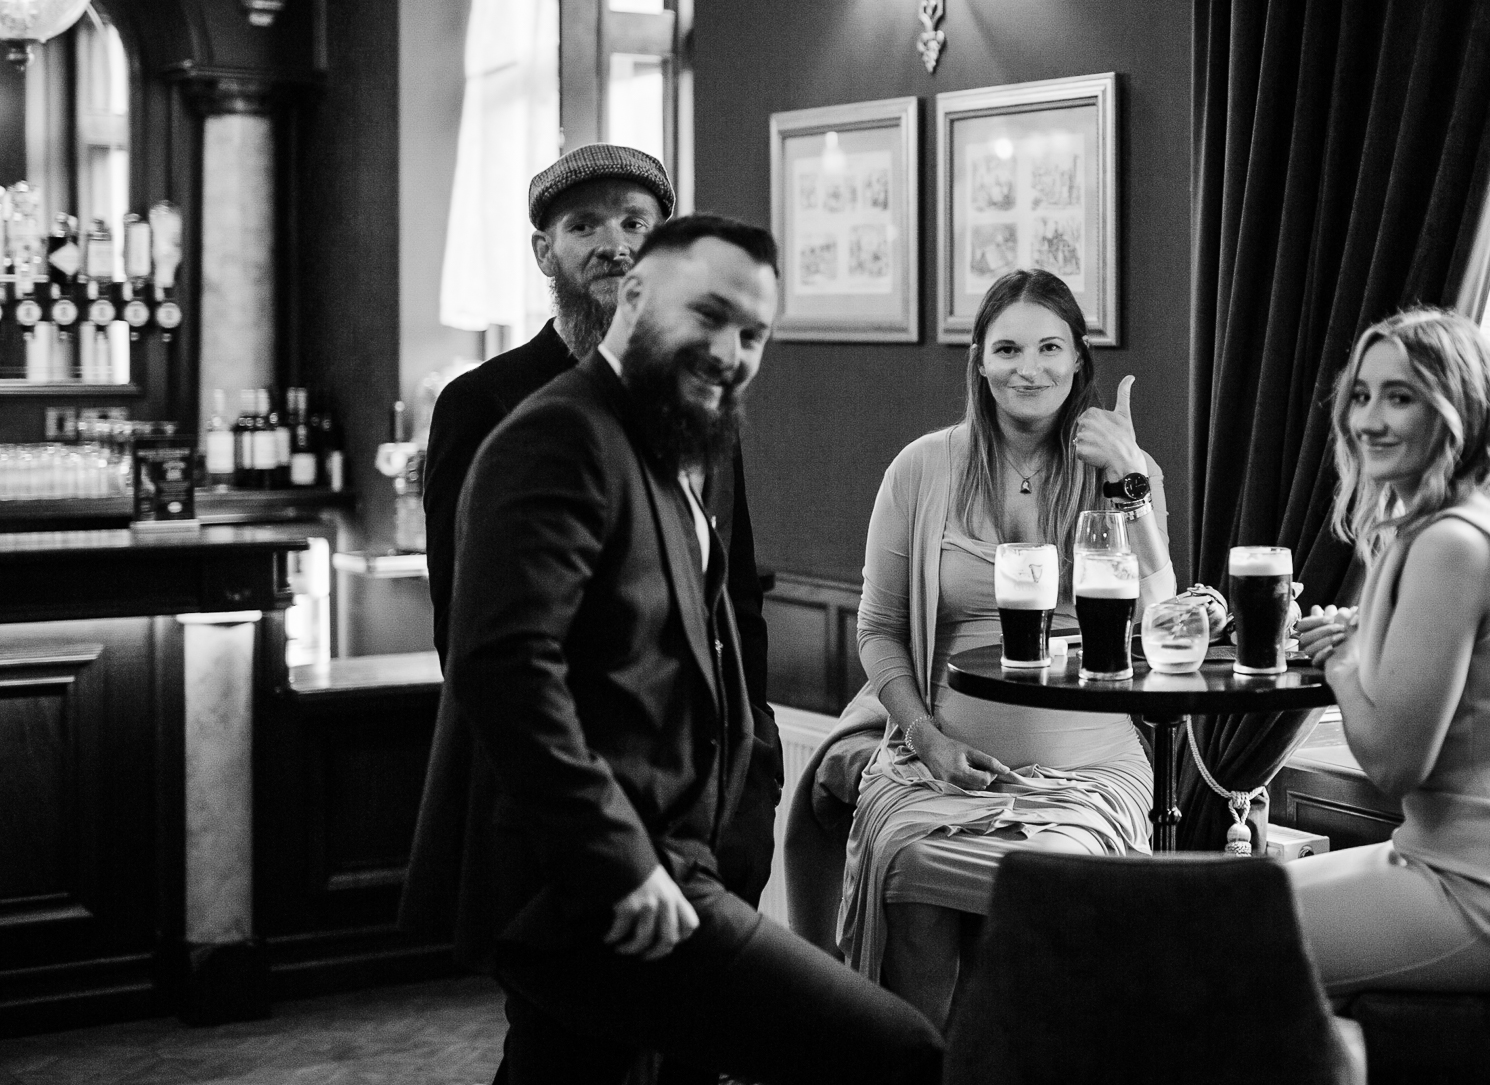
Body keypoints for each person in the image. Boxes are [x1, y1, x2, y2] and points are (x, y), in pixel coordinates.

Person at [440, 214, 943, 1084]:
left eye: (753, 333)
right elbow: (506, 670)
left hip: (681, 858)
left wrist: (750, 785)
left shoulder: (674, 443)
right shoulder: (555, 434)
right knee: (897, 1053)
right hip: (598, 886)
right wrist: (623, 866)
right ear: (634, 294)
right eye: (707, 315)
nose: (731, 349)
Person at [405, 145, 781, 960]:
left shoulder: (703, 401)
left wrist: (760, 773)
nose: (614, 242)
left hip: (708, 810)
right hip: (566, 819)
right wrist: (589, 823)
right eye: (585, 225)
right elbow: (473, 639)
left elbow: (735, 603)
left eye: (635, 223)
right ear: (545, 252)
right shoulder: (490, 404)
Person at [837, 268, 1179, 1026]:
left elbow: (1162, 621)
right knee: (911, 880)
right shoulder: (921, 468)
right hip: (938, 771)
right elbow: (879, 626)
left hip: (1086, 776)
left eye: (1051, 347)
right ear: (981, 364)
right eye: (1009, 349)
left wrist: (1128, 481)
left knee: (1034, 915)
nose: (1031, 369)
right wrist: (923, 737)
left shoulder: (1123, 473)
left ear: (1079, 360)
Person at [1287, 307, 1490, 996]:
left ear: (1455, 411)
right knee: (1234, 896)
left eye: (1400, 397)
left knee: (1206, 932)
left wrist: (1345, 666)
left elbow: (1393, 764)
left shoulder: (1449, 545)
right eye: (1361, 394)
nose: (1369, 420)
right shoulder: (1472, 526)